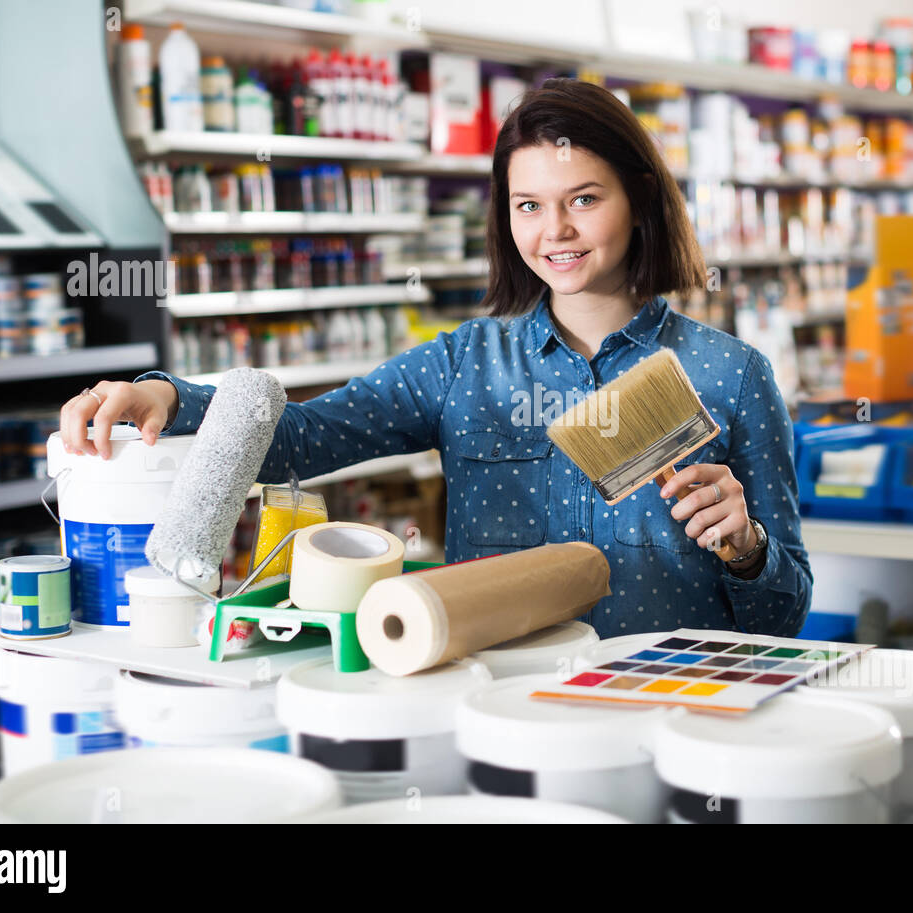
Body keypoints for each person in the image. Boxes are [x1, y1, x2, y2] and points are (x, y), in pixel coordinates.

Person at [59, 78, 812, 639]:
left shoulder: (730, 376)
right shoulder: (463, 365)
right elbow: (300, 438)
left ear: (640, 197)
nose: (556, 229)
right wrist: (169, 397)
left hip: (668, 708)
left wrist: (747, 549)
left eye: (584, 199)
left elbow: (786, 616)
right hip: (499, 703)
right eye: (529, 205)